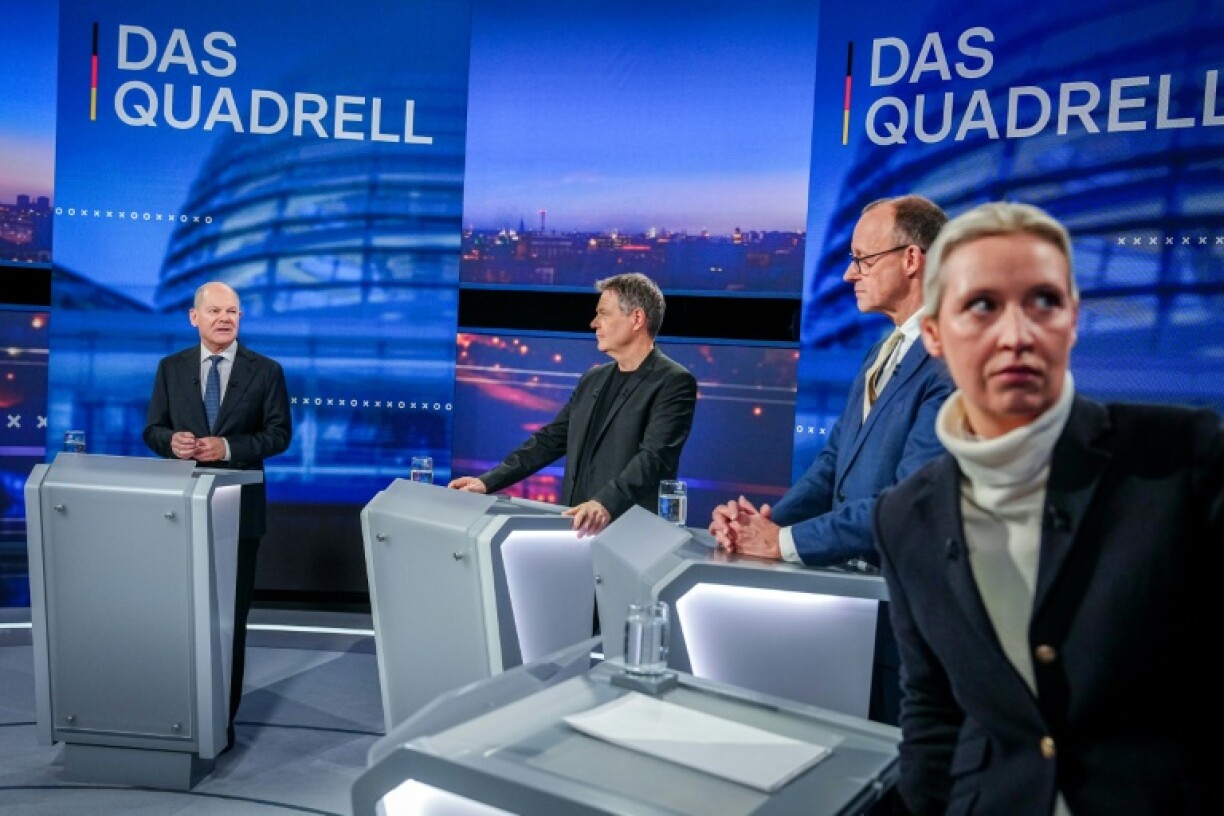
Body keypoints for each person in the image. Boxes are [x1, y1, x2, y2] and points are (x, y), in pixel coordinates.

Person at [874, 201, 1222, 815]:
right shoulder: (906, 515)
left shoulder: (1184, 457)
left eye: (1043, 302)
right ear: (934, 333)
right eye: (982, 305)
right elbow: (932, 715)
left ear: (1072, 322)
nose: (1017, 334)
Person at [709, 194, 953, 725]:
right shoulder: (882, 351)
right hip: (859, 608)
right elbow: (832, 464)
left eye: (863, 259)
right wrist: (764, 525)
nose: (848, 275)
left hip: (912, 621)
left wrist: (783, 544)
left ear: (912, 259)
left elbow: (907, 506)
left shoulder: (950, 357)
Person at [143, 281, 292, 748]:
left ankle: (220, 722)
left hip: (239, 515)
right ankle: (175, 712)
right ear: (194, 318)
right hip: (180, 511)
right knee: (178, 616)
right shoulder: (171, 369)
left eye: (233, 311)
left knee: (229, 620)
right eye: (215, 311)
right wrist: (171, 443)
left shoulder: (266, 371)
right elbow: (152, 428)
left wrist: (227, 447)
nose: (225, 318)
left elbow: (279, 436)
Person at [449, 272, 697, 538]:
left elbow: (654, 459)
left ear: (636, 318)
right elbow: (550, 439)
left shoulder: (673, 381)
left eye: (603, 313)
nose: (594, 323)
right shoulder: (594, 378)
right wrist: (486, 482)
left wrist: (604, 504)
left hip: (631, 535)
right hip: (574, 527)